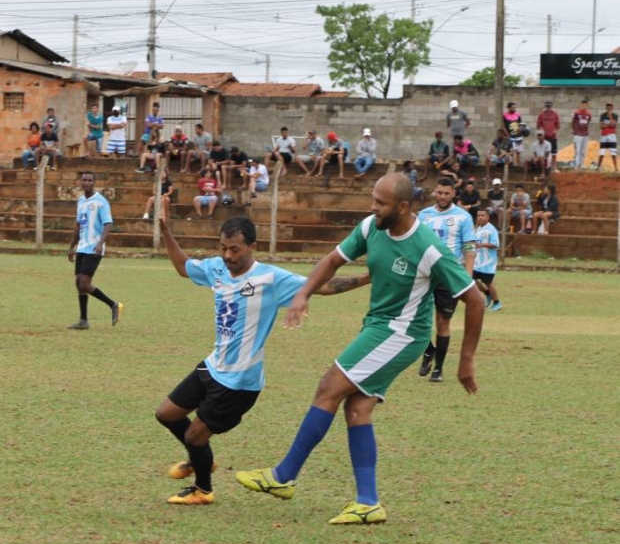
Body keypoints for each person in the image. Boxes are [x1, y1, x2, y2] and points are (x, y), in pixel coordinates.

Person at [235, 173, 483, 524]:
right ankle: (368, 503)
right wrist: (303, 294)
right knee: (357, 407)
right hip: (379, 326)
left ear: (403, 207)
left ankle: (283, 476)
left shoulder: (428, 247)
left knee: (328, 387)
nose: (372, 207)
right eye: (373, 199)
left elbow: (474, 300)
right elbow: (333, 260)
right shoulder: (371, 227)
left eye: (380, 203)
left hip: (401, 333)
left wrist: (466, 359)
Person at [156, 216, 370, 505]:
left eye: (234, 249)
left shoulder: (270, 279)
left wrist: (367, 277)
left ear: (251, 247)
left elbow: (323, 286)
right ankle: (200, 458)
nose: (227, 255)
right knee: (166, 414)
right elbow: (184, 267)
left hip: (239, 382)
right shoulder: (217, 268)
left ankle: (202, 490)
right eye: (223, 248)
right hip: (213, 365)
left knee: (195, 437)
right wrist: (166, 231)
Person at [417, 176, 476, 383]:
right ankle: (428, 350)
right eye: (439, 193)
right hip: (423, 273)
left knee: (442, 321)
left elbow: (469, 248)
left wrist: (466, 279)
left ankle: (438, 370)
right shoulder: (423, 215)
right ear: (435, 192)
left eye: (446, 193)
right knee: (412, 318)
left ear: (453, 194)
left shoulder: (463, 217)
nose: (442, 197)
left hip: (449, 275)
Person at [67, 171, 123, 329]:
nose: (86, 183)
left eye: (89, 180)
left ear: (94, 182)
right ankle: (83, 321)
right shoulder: (80, 201)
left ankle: (113, 305)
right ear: (81, 182)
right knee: (78, 282)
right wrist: (71, 247)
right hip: (82, 247)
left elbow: (108, 224)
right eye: (84, 180)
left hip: (94, 248)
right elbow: (79, 225)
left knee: (85, 284)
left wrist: (100, 244)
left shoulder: (101, 202)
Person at [474, 207, 501, 311]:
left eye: (482, 215)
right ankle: (487, 294)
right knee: (470, 280)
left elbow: (496, 244)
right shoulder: (477, 229)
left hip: (488, 263)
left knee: (488, 283)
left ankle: (497, 303)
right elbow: (474, 244)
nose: (480, 217)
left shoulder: (491, 230)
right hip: (477, 262)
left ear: (488, 217)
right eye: (478, 215)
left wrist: (482, 245)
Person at [536, 101, 560, 170]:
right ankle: (544, 168)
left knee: (553, 153)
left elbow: (557, 125)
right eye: (547, 107)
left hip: (553, 136)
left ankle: (554, 167)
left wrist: (554, 131)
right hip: (544, 137)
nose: (548, 109)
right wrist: (543, 132)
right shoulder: (541, 115)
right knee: (544, 153)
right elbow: (539, 125)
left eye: (549, 107)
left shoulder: (555, 114)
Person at [597, 102, 618, 171]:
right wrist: (608, 124)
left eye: (610, 107)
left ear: (612, 108)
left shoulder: (615, 115)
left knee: (613, 152)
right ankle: (598, 167)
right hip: (604, 135)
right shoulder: (603, 115)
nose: (609, 108)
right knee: (602, 152)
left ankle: (615, 167)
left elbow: (613, 125)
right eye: (608, 107)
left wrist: (610, 117)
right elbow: (600, 126)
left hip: (612, 135)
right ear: (606, 108)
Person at [571, 98, 592, 170]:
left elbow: (588, 123)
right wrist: (575, 130)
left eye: (585, 104)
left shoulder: (589, 114)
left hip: (585, 134)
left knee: (583, 151)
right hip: (578, 134)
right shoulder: (576, 112)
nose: (584, 106)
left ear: (587, 105)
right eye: (583, 104)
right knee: (578, 150)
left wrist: (585, 130)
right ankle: (576, 165)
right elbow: (573, 122)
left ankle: (581, 164)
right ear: (581, 104)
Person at [502, 102, 524, 166]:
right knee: (513, 150)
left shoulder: (518, 115)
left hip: (518, 136)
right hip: (510, 136)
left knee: (518, 151)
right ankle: (515, 164)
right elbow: (503, 125)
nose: (514, 109)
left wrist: (520, 128)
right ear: (509, 108)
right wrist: (507, 134)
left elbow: (521, 124)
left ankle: (517, 164)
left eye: (515, 107)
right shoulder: (505, 115)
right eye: (513, 107)